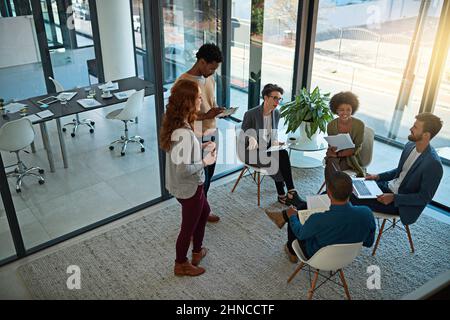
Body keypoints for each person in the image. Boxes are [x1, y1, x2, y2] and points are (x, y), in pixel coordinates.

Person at [160, 79, 217, 277]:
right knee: (188, 228)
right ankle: (181, 263)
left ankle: (197, 251)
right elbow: (184, 170)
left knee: (204, 212)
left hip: (184, 187)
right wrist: (206, 161)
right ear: (189, 102)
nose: (201, 100)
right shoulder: (183, 132)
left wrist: (200, 148)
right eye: (198, 97)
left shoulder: (176, 122)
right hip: (189, 188)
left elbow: (181, 155)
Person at [351, 113, 444, 226]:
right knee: (346, 185)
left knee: (348, 196)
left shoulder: (433, 164)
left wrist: (394, 198)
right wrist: (377, 176)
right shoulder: (410, 145)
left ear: (426, 135)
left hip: (400, 204)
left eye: (415, 127)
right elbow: (401, 171)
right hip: (387, 188)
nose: (410, 129)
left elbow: (424, 198)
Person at [265, 171, 376, 262]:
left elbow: (300, 234)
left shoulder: (317, 219)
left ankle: (291, 250)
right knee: (303, 206)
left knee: (296, 215)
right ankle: (282, 217)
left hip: (317, 256)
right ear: (352, 190)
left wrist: (292, 217)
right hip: (347, 257)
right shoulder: (367, 213)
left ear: (328, 193)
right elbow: (368, 242)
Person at [175, 43, 225, 223]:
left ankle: (204, 209)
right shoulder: (184, 82)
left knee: (209, 175)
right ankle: (195, 217)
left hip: (212, 131)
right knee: (197, 180)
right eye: (211, 68)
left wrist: (216, 110)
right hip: (195, 135)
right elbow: (182, 114)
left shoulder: (209, 77)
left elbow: (209, 101)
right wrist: (205, 115)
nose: (212, 72)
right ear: (201, 62)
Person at [239, 83, 305, 208]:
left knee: (282, 153)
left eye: (279, 99)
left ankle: (290, 192)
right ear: (265, 97)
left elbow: (273, 134)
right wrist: (252, 138)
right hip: (252, 151)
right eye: (275, 98)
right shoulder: (251, 114)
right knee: (277, 158)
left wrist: (276, 142)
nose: (277, 101)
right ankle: (285, 194)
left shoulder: (276, 113)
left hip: (267, 147)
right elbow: (243, 135)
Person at [325, 91, 365, 178]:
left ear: (353, 109)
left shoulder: (359, 125)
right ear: (336, 110)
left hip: (351, 157)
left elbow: (357, 148)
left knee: (337, 171)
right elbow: (331, 145)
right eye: (341, 110)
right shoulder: (331, 125)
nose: (345, 113)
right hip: (335, 154)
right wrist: (332, 152)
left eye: (348, 110)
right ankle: (331, 188)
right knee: (331, 165)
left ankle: (335, 188)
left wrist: (338, 155)